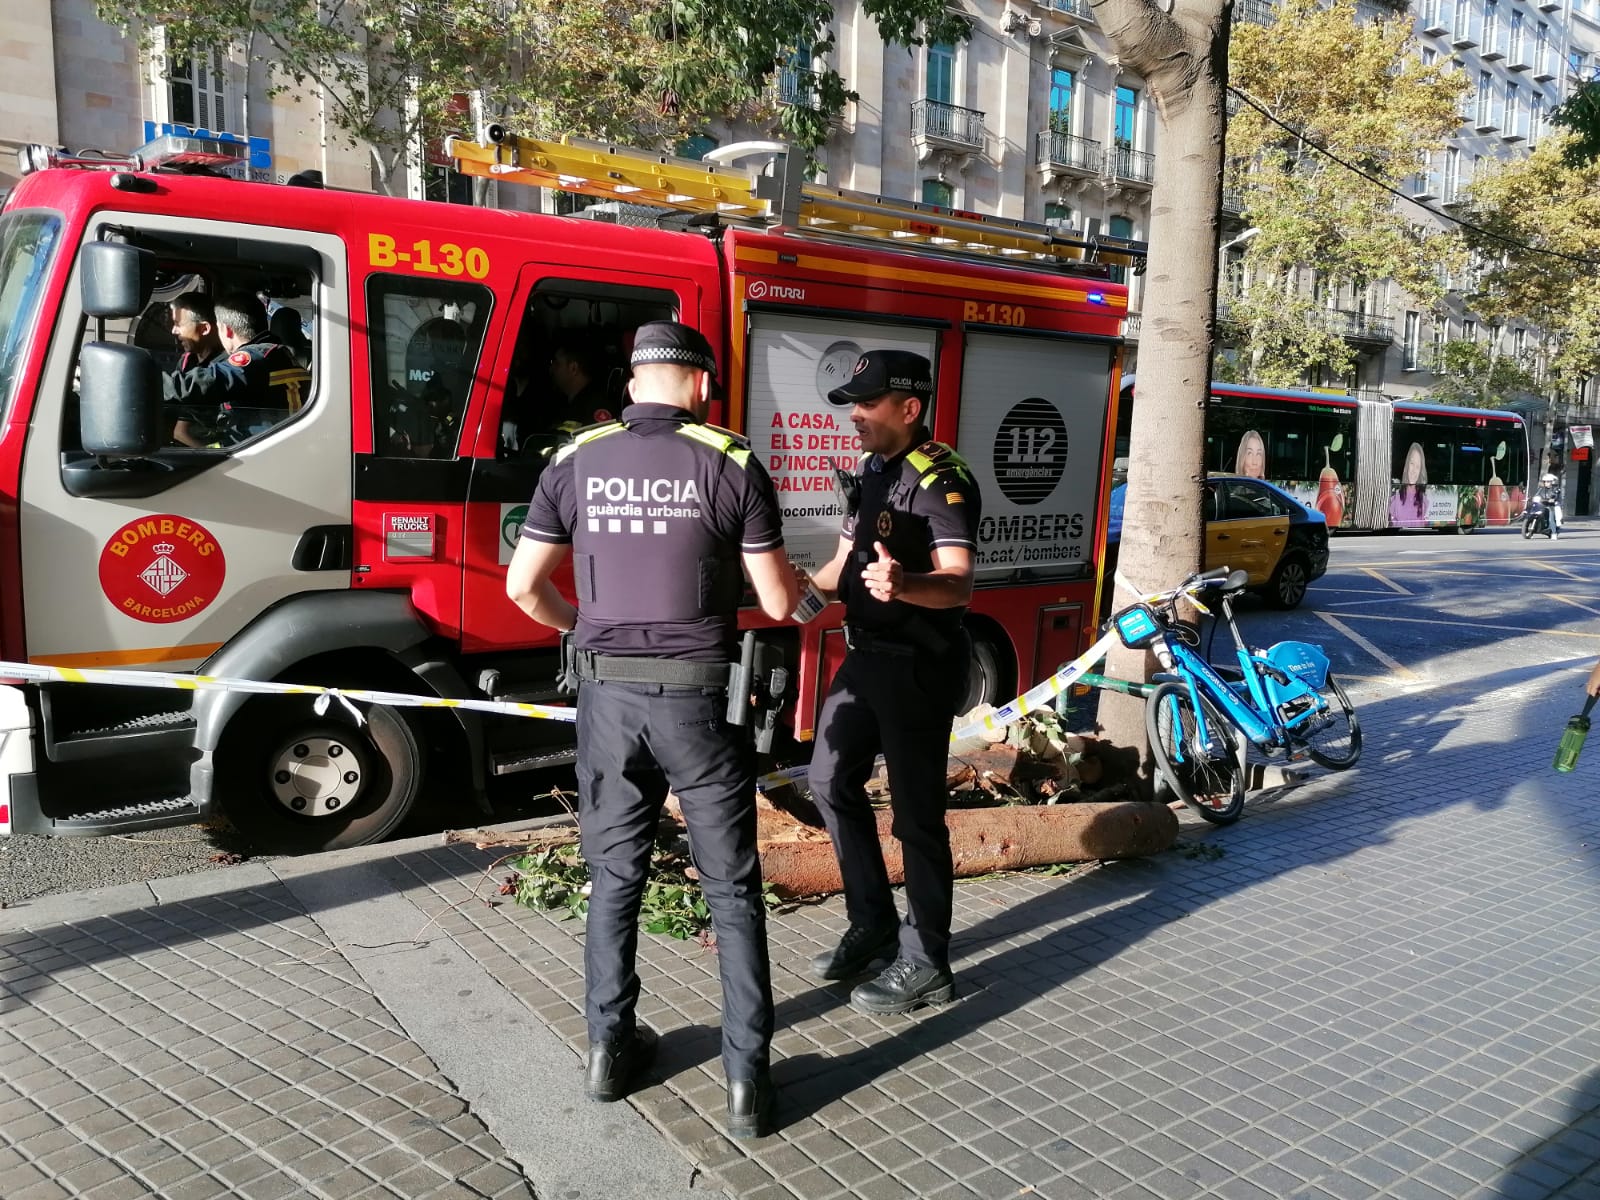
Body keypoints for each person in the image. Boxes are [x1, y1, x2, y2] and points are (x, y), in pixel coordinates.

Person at [505, 321, 802, 1140]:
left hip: (607, 703)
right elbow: (778, 604)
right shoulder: (732, 460)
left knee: (615, 877)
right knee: (732, 887)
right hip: (701, 705)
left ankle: (608, 1051)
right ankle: (748, 1083)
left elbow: (523, 587)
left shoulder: (572, 460)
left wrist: (586, 632)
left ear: (634, 382)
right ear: (701, 383)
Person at [802, 350, 983, 1016]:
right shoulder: (875, 472)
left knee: (916, 819)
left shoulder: (942, 478)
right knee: (827, 779)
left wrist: (908, 584)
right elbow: (839, 570)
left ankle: (927, 961)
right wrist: (769, 595)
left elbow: (959, 581)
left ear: (909, 408)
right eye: (854, 401)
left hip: (919, 665)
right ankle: (873, 920)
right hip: (867, 657)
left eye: (868, 403)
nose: (855, 414)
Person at [163, 290, 311, 444]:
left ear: (226, 330)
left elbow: (203, 383)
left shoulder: (255, 358)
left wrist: (145, 383)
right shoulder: (275, 354)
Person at [164, 292, 225, 447]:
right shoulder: (186, 361)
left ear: (204, 328)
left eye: (179, 324)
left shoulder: (225, 368)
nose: (174, 331)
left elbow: (180, 431)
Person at [1390, 441, 1428, 528]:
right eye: (1412, 463)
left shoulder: (1424, 502)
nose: (1414, 470)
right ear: (1407, 465)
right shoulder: (1395, 499)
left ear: (1420, 471)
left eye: (1418, 467)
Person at [1536, 471, 1564, 538]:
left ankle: (1554, 533)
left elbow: (1556, 495)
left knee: (1551, 519)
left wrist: (1553, 499)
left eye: (1548, 481)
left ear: (1552, 482)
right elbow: (1537, 494)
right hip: (1543, 504)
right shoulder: (1541, 489)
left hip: (1553, 506)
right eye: (1545, 481)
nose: (1546, 483)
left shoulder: (1556, 489)